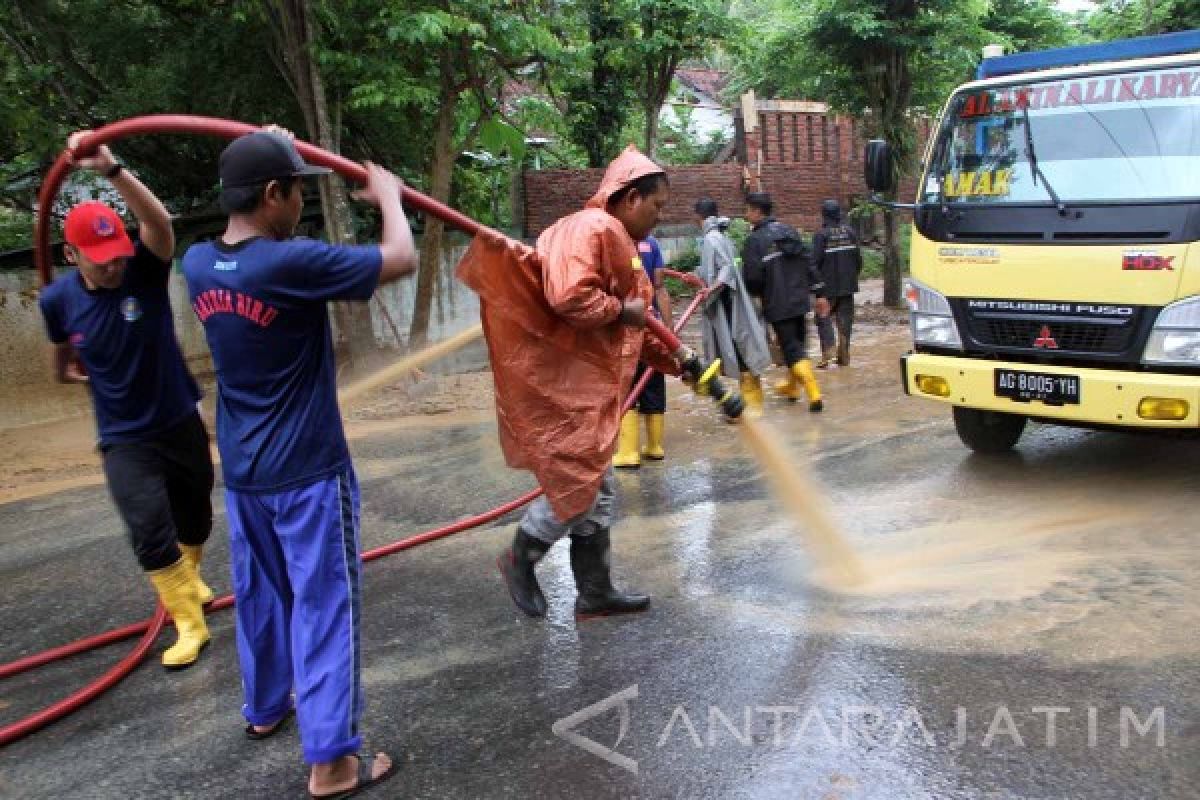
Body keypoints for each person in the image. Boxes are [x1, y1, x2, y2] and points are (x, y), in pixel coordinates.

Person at [182, 129, 416, 799]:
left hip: (246, 473)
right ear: (274, 194)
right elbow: (397, 258)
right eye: (296, 195)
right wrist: (389, 198)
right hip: (308, 473)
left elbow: (252, 224)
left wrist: (272, 143)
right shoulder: (291, 264)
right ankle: (334, 763)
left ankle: (265, 709)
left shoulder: (198, 264)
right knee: (323, 606)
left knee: (262, 593)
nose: (301, 211)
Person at [458, 144, 681, 620]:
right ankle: (520, 556)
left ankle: (595, 591)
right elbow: (569, 296)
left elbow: (639, 330)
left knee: (596, 487)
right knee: (578, 484)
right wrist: (623, 310)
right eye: (658, 206)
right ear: (630, 198)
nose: (660, 217)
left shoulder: (610, 237)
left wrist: (683, 362)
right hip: (571, 385)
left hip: (583, 383)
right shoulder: (595, 228)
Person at [38, 131, 215, 671]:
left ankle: (191, 576)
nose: (113, 267)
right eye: (100, 261)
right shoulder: (57, 299)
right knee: (146, 526)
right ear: (71, 255)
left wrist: (112, 169)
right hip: (124, 437)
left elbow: (160, 226)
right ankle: (189, 622)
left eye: (116, 256)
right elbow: (61, 357)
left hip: (178, 416)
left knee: (196, 514)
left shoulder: (143, 270)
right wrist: (71, 374)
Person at [741, 192, 830, 412]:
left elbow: (753, 277)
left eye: (747, 210)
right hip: (800, 300)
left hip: (777, 302)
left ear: (756, 211)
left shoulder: (755, 240)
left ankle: (814, 392)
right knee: (796, 344)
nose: (746, 215)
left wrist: (756, 295)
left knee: (791, 348)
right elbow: (809, 262)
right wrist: (819, 292)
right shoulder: (789, 231)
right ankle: (792, 387)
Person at [694, 199, 772, 417]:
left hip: (728, 305)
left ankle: (753, 409)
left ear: (698, 217)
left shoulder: (712, 238)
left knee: (740, 352)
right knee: (742, 350)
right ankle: (752, 405)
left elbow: (726, 269)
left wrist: (711, 290)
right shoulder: (722, 236)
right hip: (731, 302)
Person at [613, 234, 673, 468]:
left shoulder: (614, 241)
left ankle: (629, 452)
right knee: (653, 380)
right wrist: (668, 332)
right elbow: (660, 287)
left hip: (627, 327)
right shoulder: (653, 243)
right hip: (653, 326)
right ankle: (655, 446)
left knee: (626, 385)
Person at [812, 199, 863, 367]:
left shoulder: (821, 235)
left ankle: (828, 351)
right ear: (839, 214)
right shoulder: (850, 232)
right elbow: (858, 260)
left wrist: (817, 288)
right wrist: (852, 276)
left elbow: (814, 263)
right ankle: (844, 354)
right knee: (845, 320)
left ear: (824, 215)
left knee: (823, 317)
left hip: (828, 287)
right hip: (848, 285)